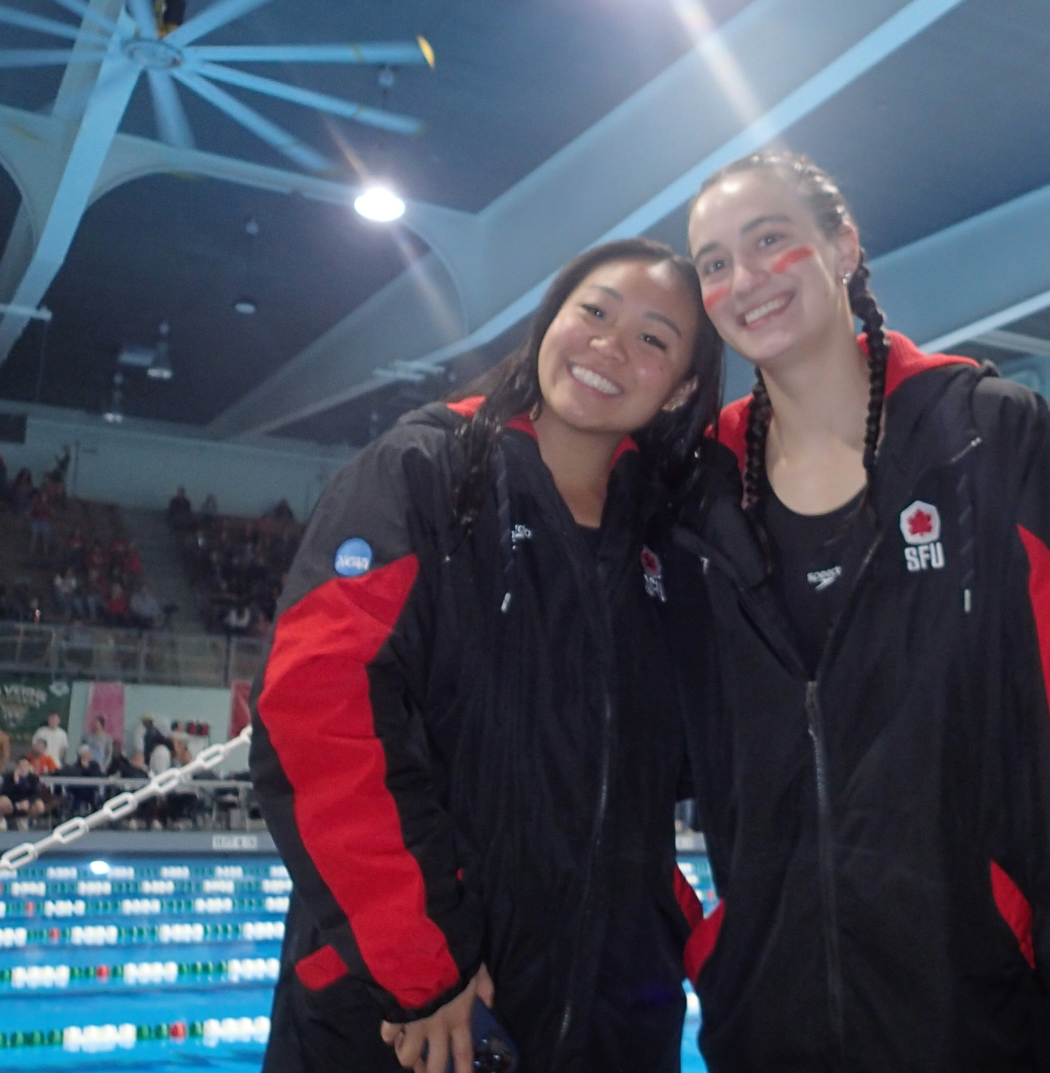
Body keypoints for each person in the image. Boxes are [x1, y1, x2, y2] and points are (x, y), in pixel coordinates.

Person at [678, 151, 1050, 1071]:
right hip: (766, 1020)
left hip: (973, 1013)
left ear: (842, 247)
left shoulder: (991, 438)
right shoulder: (701, 489)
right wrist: (712, 935)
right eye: (714, 263)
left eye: (769, 242)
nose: (743, 279)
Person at [249, 237, 723, 1073]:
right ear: (551, 321)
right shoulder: (426, 474)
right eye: (595, 311)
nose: (611, 345)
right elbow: (316, 710)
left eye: (654, 338)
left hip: (615, 1017)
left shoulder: (669, 540)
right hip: (418, 1018)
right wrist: (423, 970)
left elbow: (670, 772)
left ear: (683, 385)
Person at [0, 758, 47, 831]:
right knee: (1, 802)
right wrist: (16, 782)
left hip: (26, 804)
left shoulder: (33, 778)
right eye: (21, 766)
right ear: (16, 767)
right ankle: (2, 819)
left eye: (26, 766)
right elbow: (4, 792)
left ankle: (25, 819)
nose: (23, 768)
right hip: (11, 803)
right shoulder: (8, 777)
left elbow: (36, 793)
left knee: (40, 805)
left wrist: (28, 801)